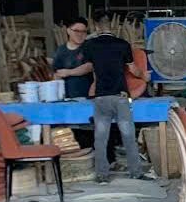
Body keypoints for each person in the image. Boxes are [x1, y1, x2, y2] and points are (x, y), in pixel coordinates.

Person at [79, 11, 148, 182]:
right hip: (120, 96)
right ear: (114, 26)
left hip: (101, 97)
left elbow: (88, 67)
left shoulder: (90, 45)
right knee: (128, 136)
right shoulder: (123, 44)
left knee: (100, 138)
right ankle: (136, 172)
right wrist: (144, 76)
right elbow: (133, 70)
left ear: (95, 26)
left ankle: (102, 175)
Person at [50, 17, 95, 153]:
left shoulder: (89, 47)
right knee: (71, 134)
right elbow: (55, 72)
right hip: (67, 99)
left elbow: (89, 66)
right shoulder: (61, 51)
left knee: (89, 131)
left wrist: (69, 72)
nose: (80, 34)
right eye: (77, 31)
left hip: (87, 97)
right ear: (68, 31)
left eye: (84, 31)